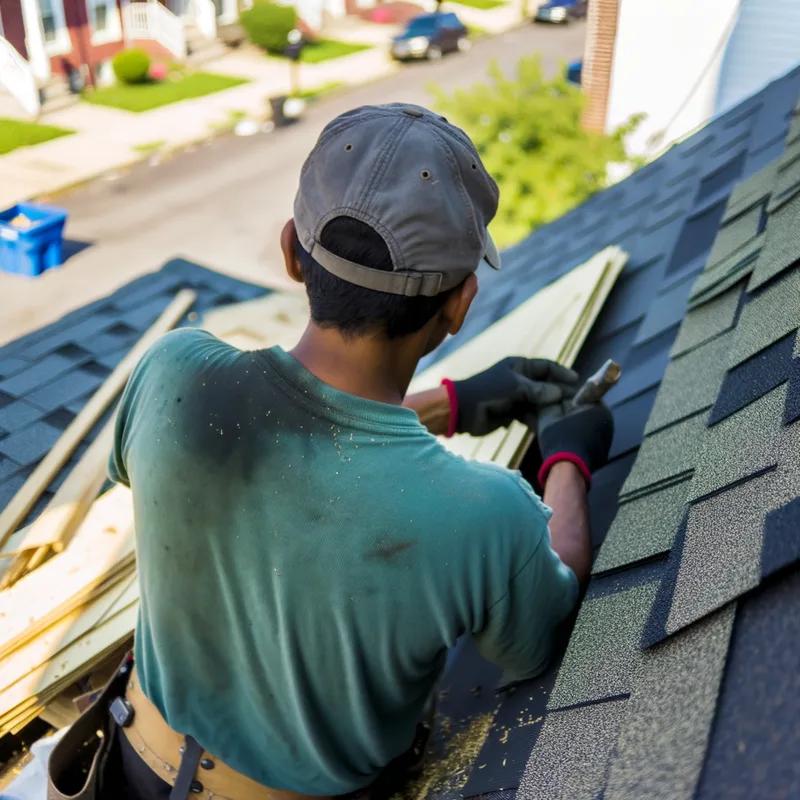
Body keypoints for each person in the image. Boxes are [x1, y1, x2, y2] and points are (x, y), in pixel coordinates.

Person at [50, 103, 613, 800]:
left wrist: (452, 405)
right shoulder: (482, 518)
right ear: (460, 305)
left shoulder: (173, 375)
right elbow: (544, 617)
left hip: (124, 768)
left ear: (290, 251)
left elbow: (295, 439)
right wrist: (568, 462)